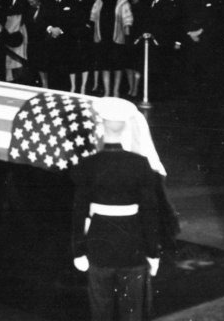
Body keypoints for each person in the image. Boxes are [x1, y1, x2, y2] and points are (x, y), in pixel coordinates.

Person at [72, 97, 162, 321]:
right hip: (133, 244)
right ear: (124, 127)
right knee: (133, 311)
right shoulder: (140, 164)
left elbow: (79, 211)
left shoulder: (88, 164)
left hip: (98, 244)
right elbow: (150, 213)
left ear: (100, 126)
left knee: (100, 309)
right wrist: (153, 252)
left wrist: (78, 251)